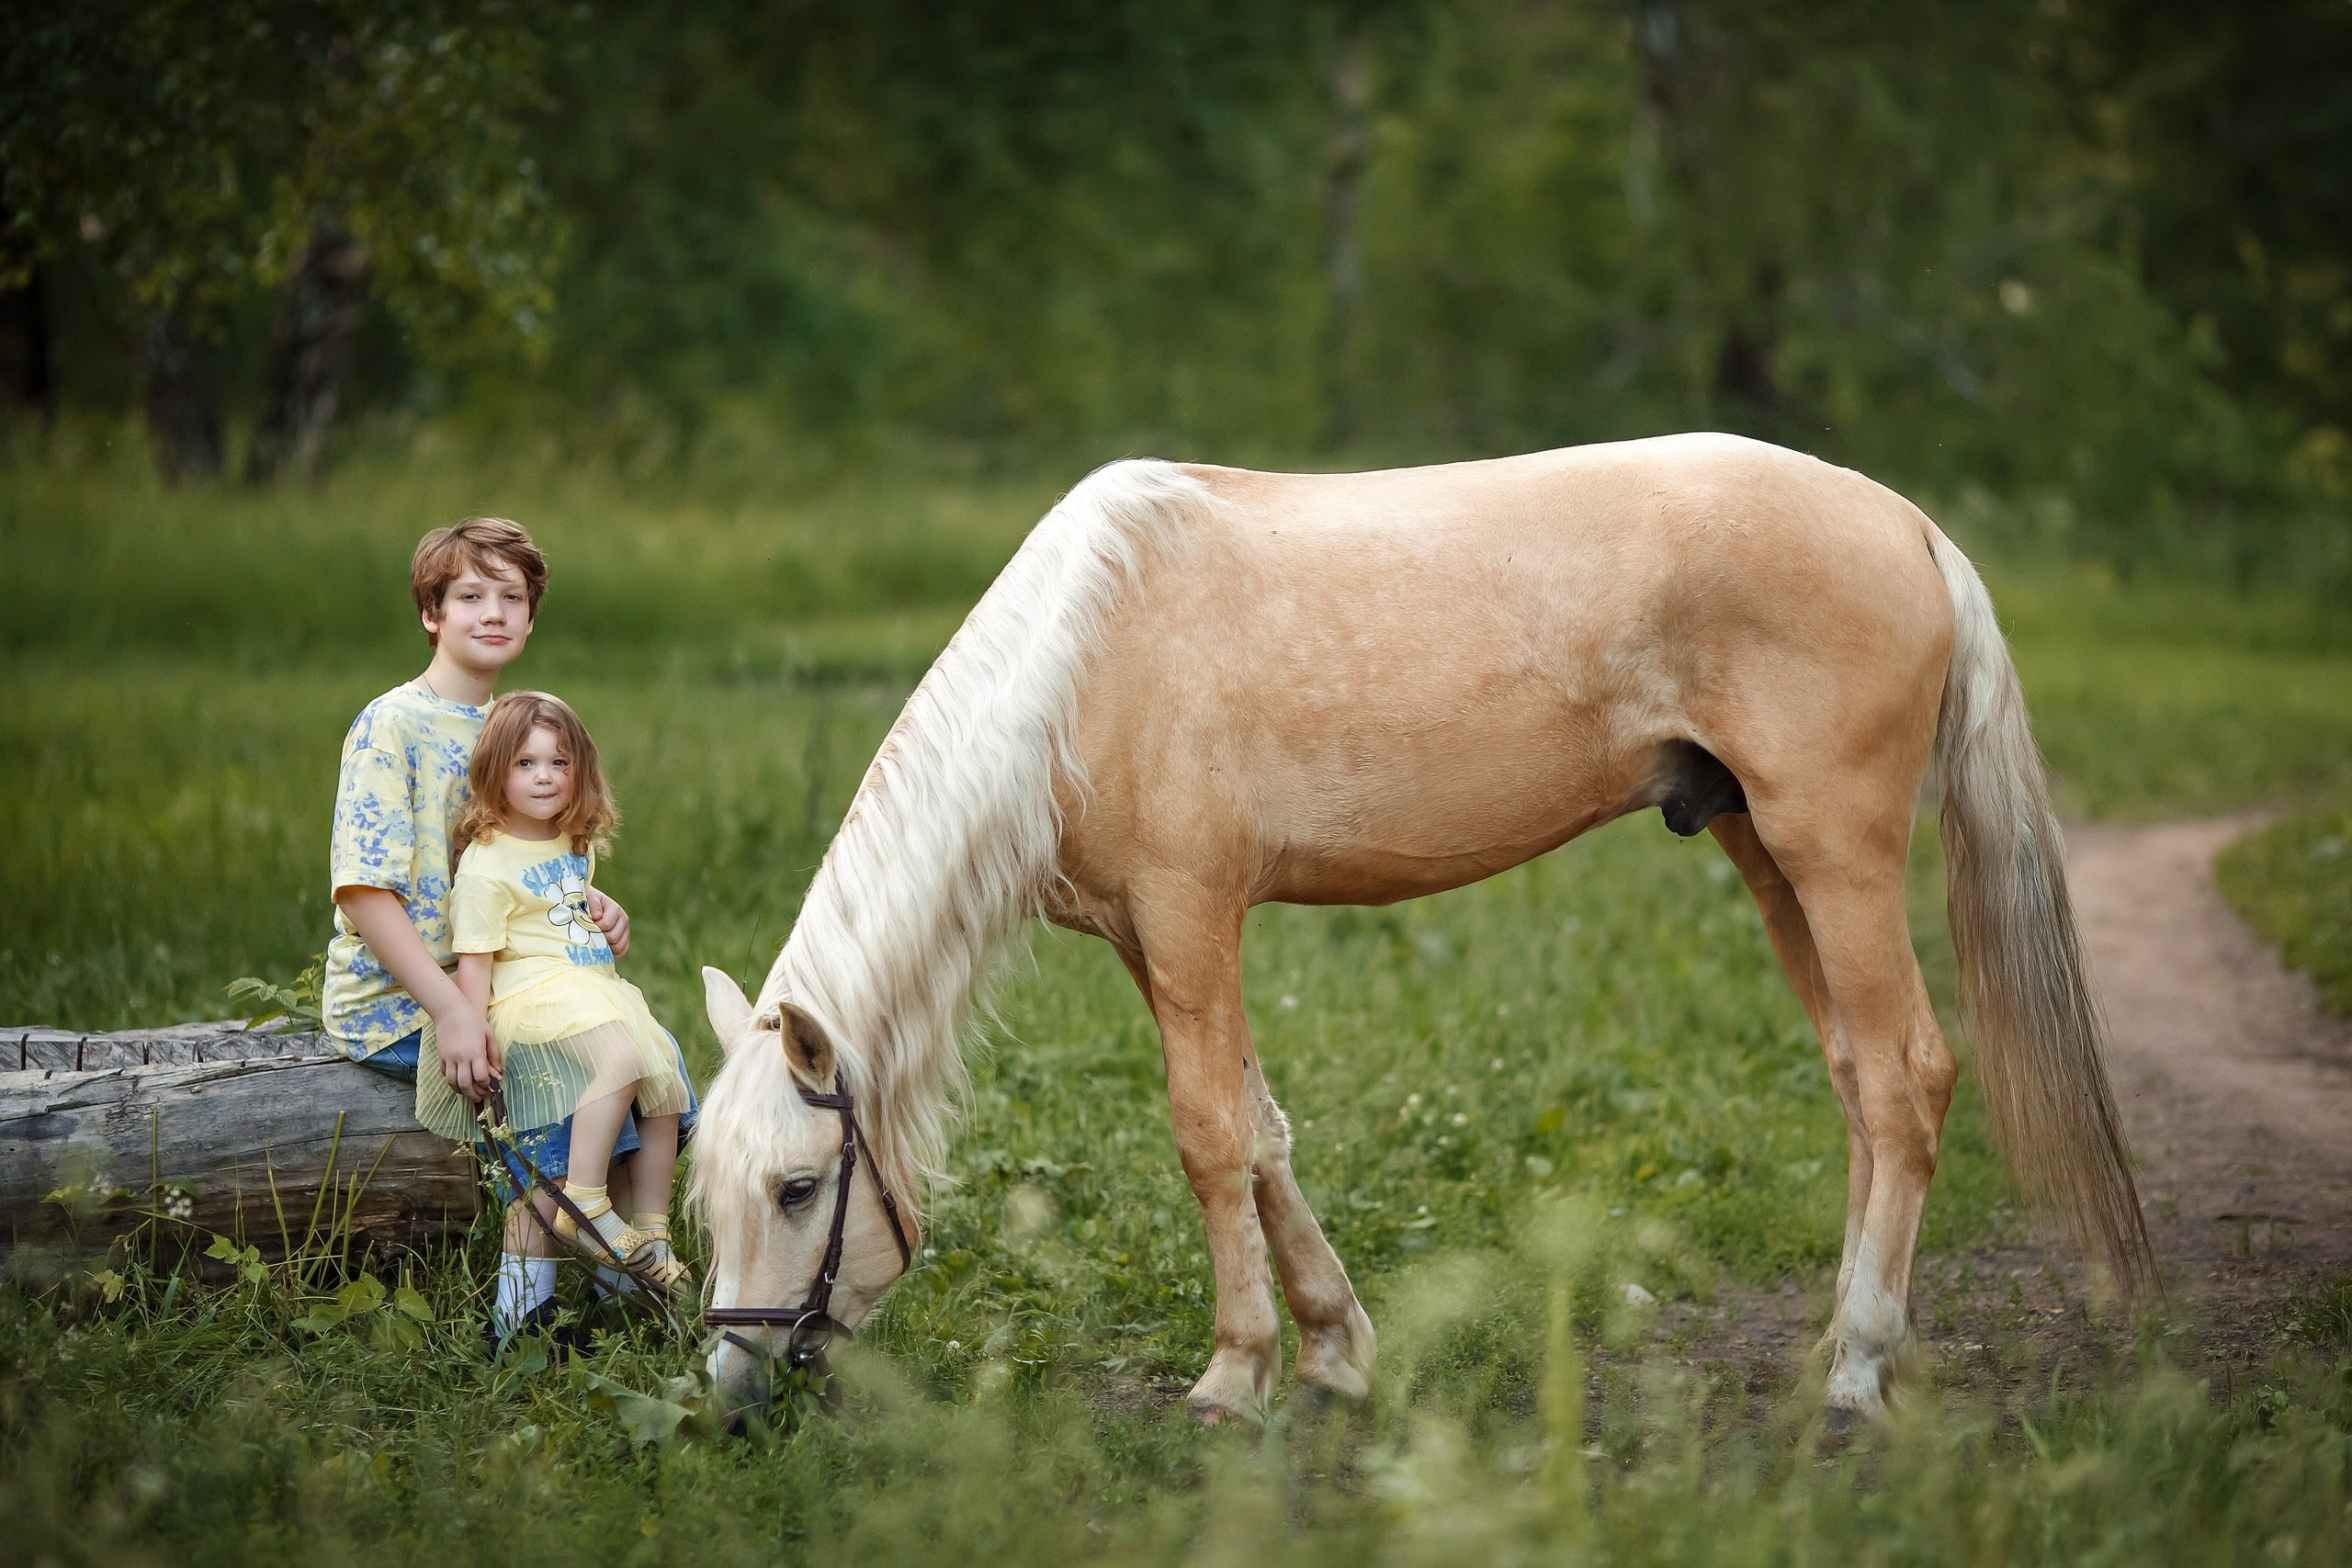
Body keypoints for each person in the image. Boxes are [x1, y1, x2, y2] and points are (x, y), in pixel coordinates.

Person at [322, 518, 642, 1346]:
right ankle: (522, 1320)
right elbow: (364, 893)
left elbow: (537, 868)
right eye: (470, 595)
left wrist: (593, 910)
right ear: (433, 611)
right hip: (407, 998)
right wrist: (452, 1012)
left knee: (638, 1082)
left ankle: (628, 1281)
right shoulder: (391, 727)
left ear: (532, 618)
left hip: (518, 981)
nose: (493, 612)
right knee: (564, 1101)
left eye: (513, 598)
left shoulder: (520, 729)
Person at [431, 690, 697, 1309]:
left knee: (664, 1075)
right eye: (526, 763)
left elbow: (568, 918)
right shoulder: (485, 863)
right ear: (494, 771)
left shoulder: (569, 843)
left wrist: (611, 914)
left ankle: (652, 1228)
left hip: (590, 994)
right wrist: (471, 1031)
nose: (546, 776)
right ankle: (586, 1201)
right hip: (535, 1003)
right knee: (625, 1062)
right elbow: (476, 965)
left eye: (560, 761)